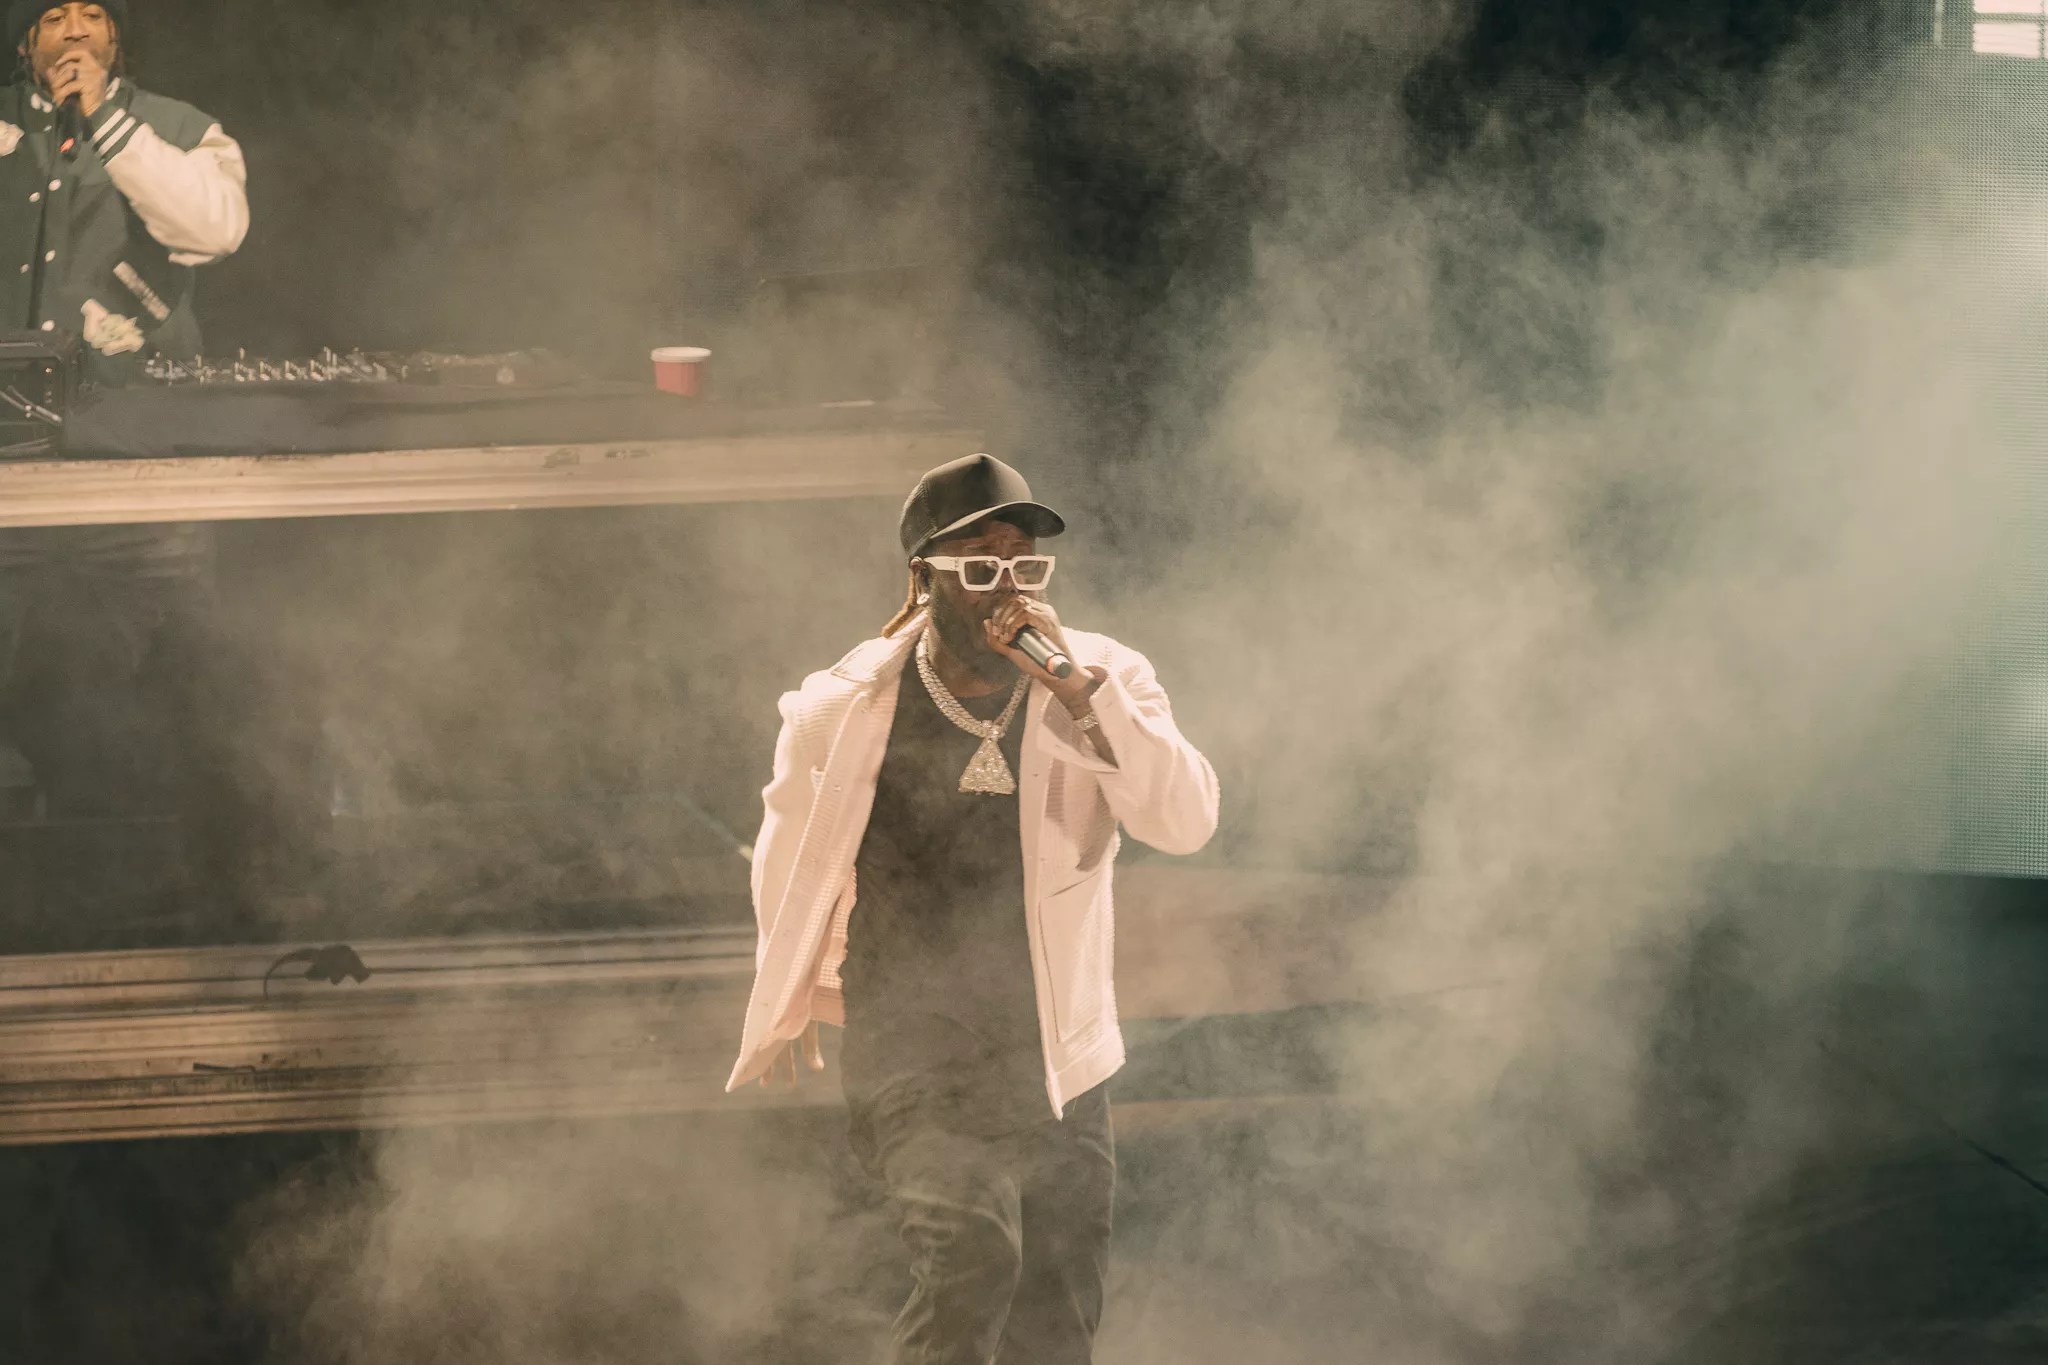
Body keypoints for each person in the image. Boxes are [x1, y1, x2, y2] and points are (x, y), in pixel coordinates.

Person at [728, 453, 1221, 1364]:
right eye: (983, 567)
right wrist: (784, 990)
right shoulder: (844, 707)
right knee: (972, 1254)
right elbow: (786, 851)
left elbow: (1185, 822)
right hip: (912, 1043)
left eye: (1027, 565)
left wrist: (1085, 699)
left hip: (1056, 1051)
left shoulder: (1103, 677)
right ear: (925, 577)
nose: (1011, 589)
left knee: (1058, 1312)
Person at [0, 0, 252, 940]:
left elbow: (215, 228)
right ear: (24, 43)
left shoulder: (182, 128)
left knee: (185, 681)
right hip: (7, 471)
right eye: (51, 16)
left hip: (145, 460)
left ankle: (212, 902)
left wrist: (106, 117)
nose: (73, 30)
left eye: (92, 15)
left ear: (115, 41)